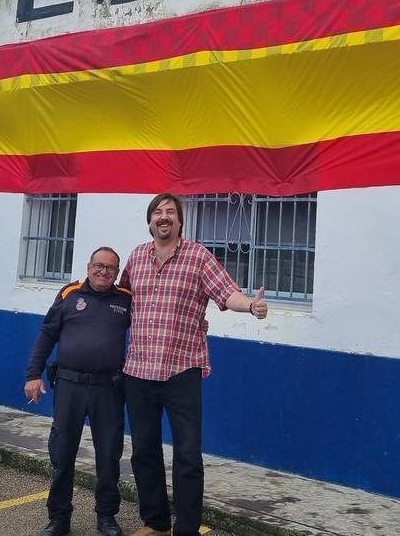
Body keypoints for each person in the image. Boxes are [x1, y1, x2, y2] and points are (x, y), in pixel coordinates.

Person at [119, 193, 268, 536]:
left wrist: (250, 306)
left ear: (180, 220)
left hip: (181, 370)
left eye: (171, 211)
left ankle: (185, 528)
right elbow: (122, 300)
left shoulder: (198, 256)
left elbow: (226, 293)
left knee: (187, 455)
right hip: (138, 370)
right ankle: (155, 522)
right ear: (150, 221)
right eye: (158, 212)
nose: (164, 217)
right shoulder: (137, 257)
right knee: (143, 451)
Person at [25, 247, 132, 536]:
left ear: (117, 272)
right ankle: (59, 518)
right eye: (99, 265)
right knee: (62, 453)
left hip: (108, 389)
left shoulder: (126, 299)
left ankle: (107, 516)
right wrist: (33, 374)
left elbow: (152, 326)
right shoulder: (69, 294)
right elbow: (47, 333)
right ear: (88, 266)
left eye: (110, 268)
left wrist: (198, 323)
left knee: (109, 455)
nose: (104, 271)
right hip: (70, 386)